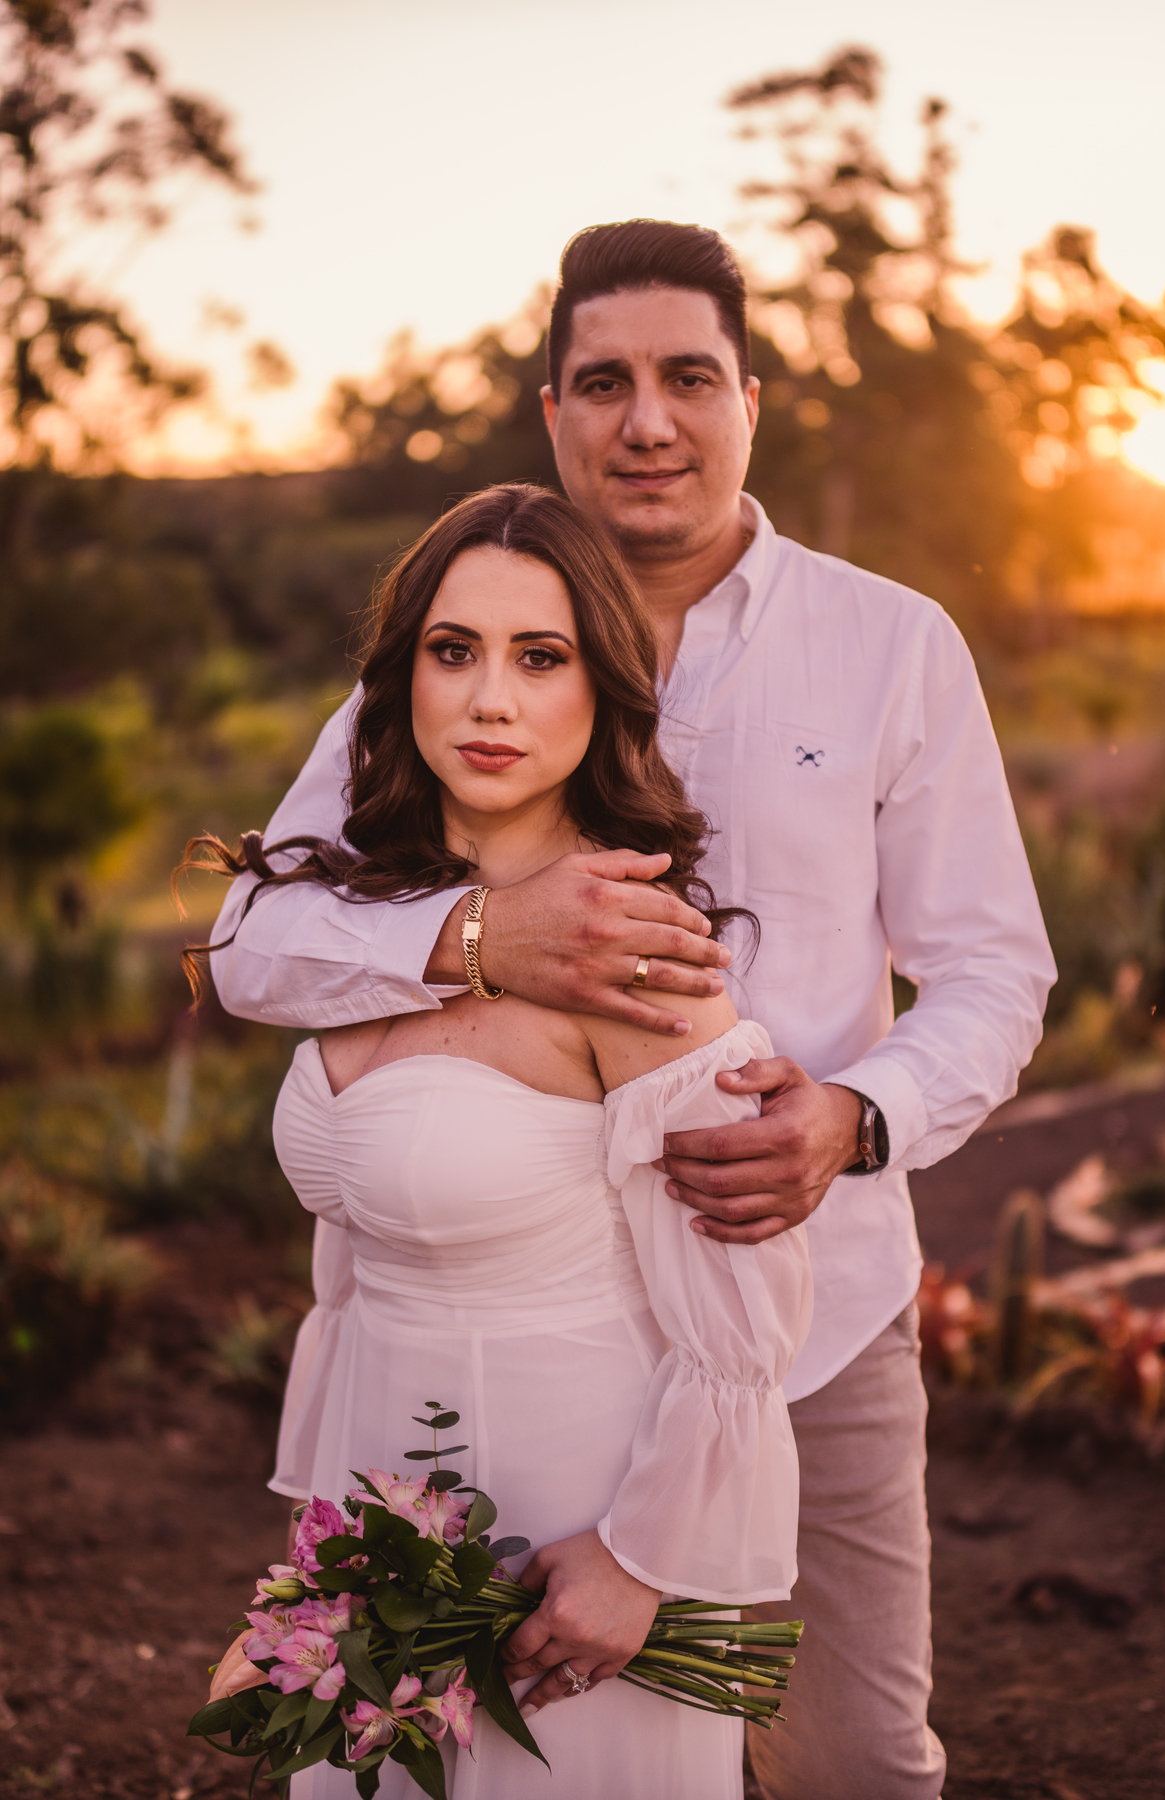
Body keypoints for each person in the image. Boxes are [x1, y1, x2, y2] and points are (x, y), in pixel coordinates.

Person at [209, 221, 1056, 1799]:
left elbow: (996, 968)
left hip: (800, 1309)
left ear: (751, 399)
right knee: (478, 1755)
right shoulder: (467, 643)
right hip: (507, 1330)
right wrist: (480, 937)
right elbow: (255, 937)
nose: (647, 421)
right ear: (553, 412)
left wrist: (856, 1118)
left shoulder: (888, 646)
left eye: (689, 378)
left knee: (852, 1765)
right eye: (604, 383)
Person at [196, 483, 814, 1799]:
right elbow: (237, 950)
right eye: (453, 650)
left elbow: (744, 1314)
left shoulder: (637, 959)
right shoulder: (362, 925)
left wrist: (641, 1558)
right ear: (399, 679)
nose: (490, 701)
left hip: (574, 1526)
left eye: (541, 658)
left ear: (606, 687)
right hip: (377, 1500)